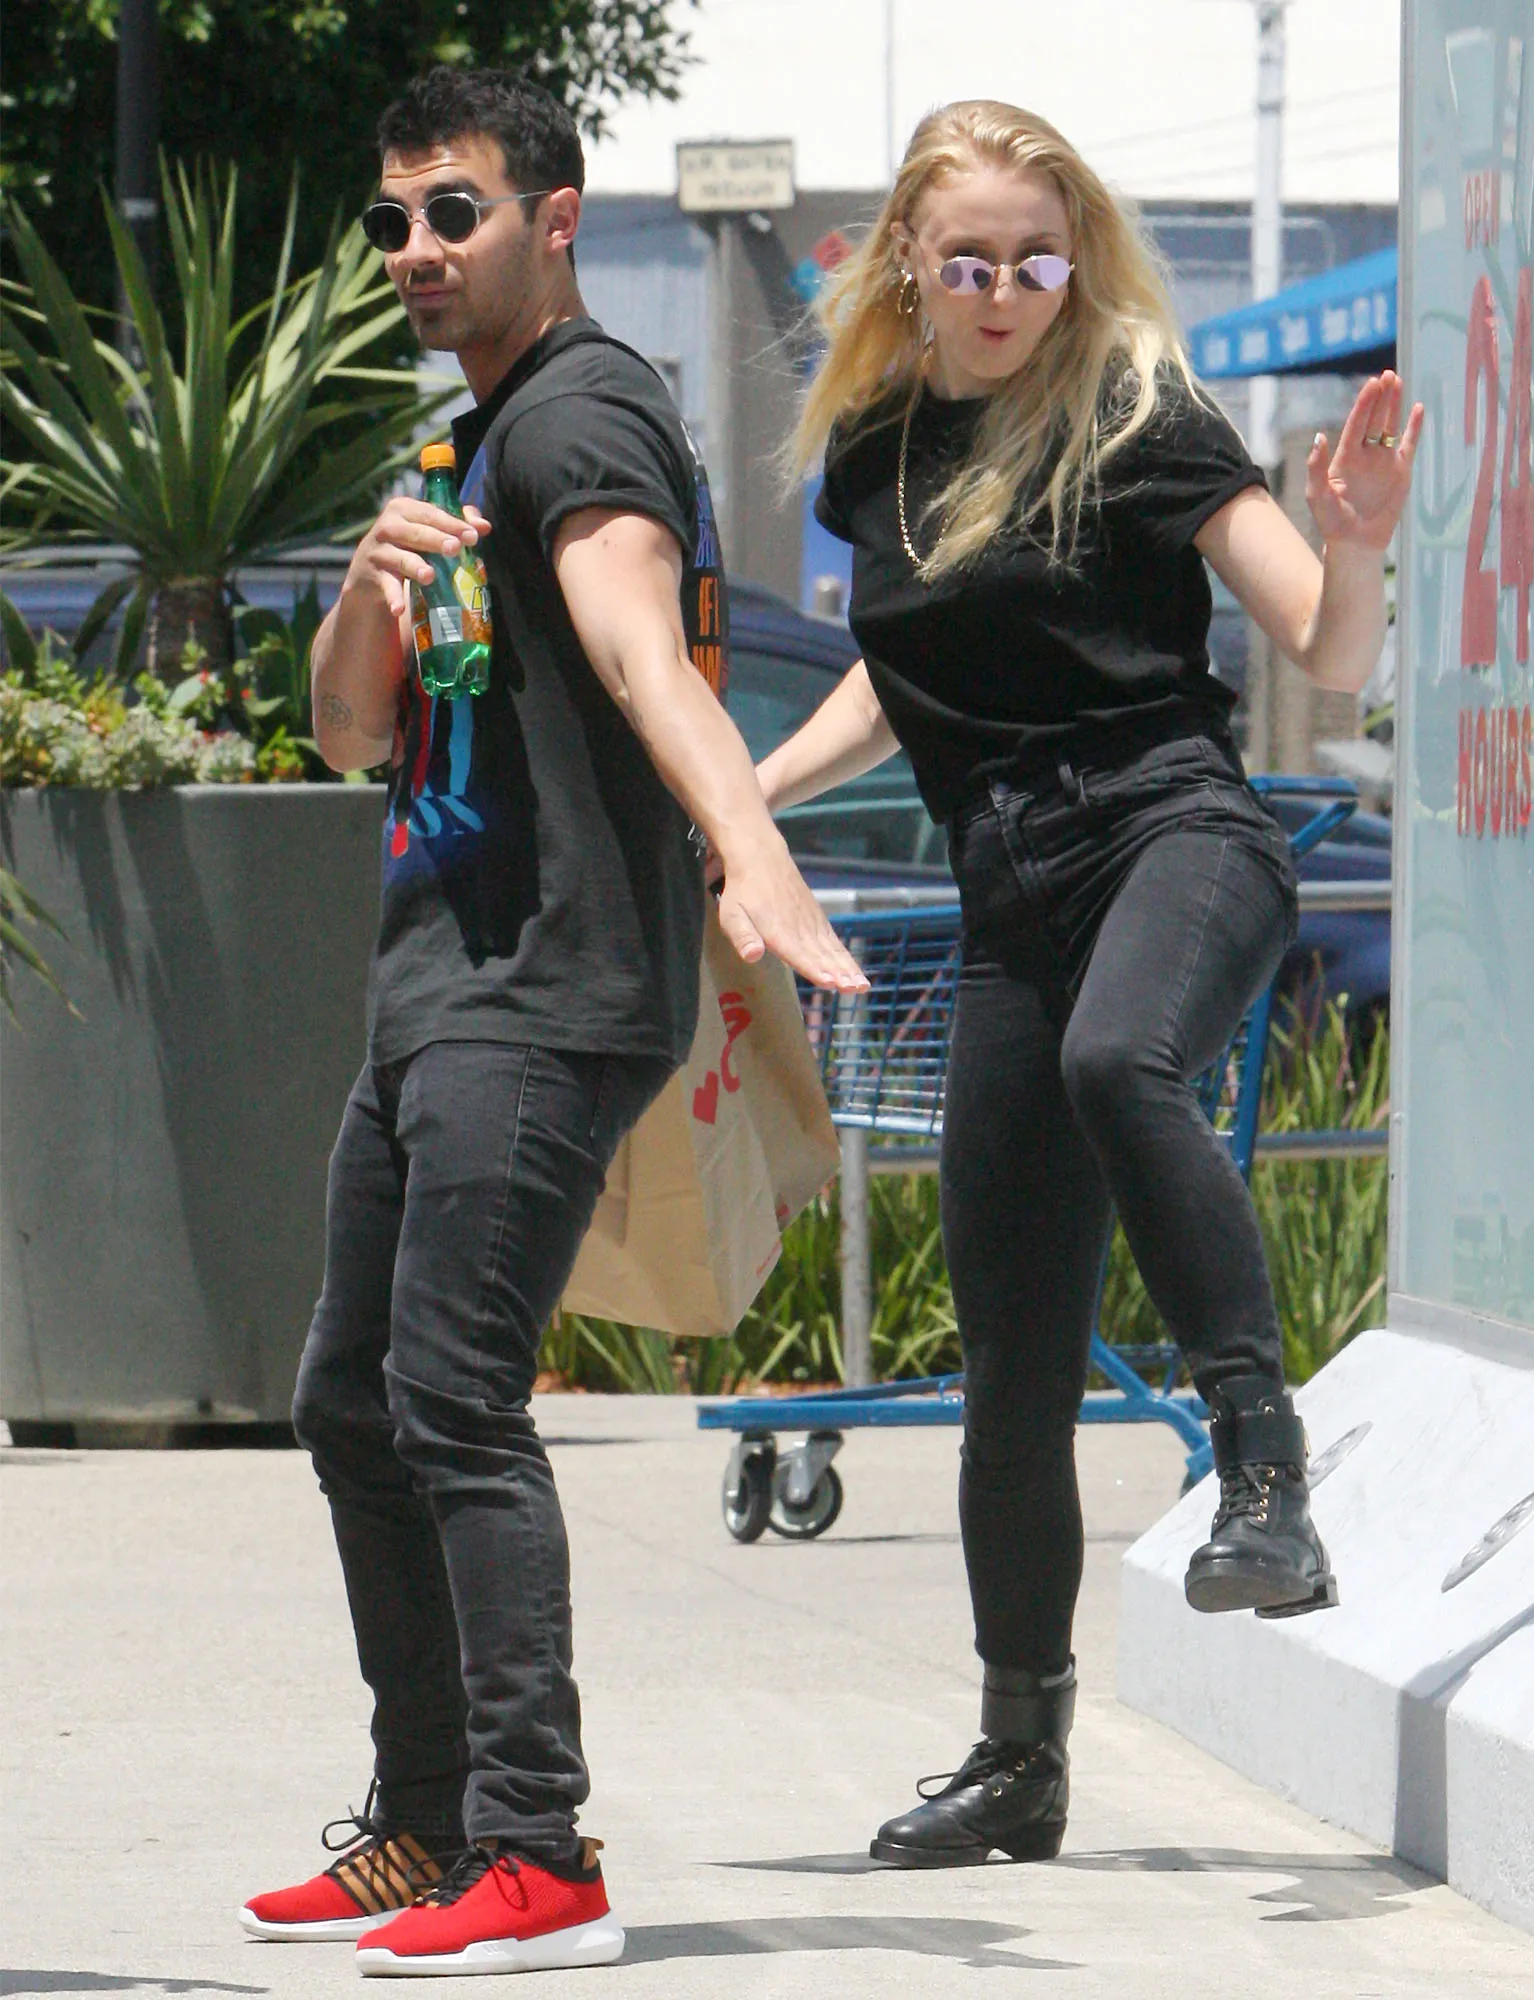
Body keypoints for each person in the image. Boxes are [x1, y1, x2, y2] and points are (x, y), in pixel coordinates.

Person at [239, 67, 865, 1974]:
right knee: (351, 1399)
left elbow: (635, 641)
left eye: (459, 212)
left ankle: (537, 1848)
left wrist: (750, 842)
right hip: (440, 985)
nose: (419, 250)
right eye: (395, 222)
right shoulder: (469, 444)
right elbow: (348, 733)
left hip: (542, 990)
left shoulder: (581, 414)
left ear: (557, 218)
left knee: (449, 1396)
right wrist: (364, 591)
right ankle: (429, 1822)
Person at [758, 100, 1421, 1869]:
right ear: (910, 261)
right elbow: (908, 674)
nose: (1004, 294)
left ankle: (1264, 1471)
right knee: (1011, 1366)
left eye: (1038, 263)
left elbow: (1327, 649)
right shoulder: (877, 452)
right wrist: (747, 797)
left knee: (1122, 1062)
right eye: (970, 262)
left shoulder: (1140, 416)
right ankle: (1018, 1757)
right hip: (1007, 899)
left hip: (1173, 832)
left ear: (1079, 264)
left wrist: (1356, 541)